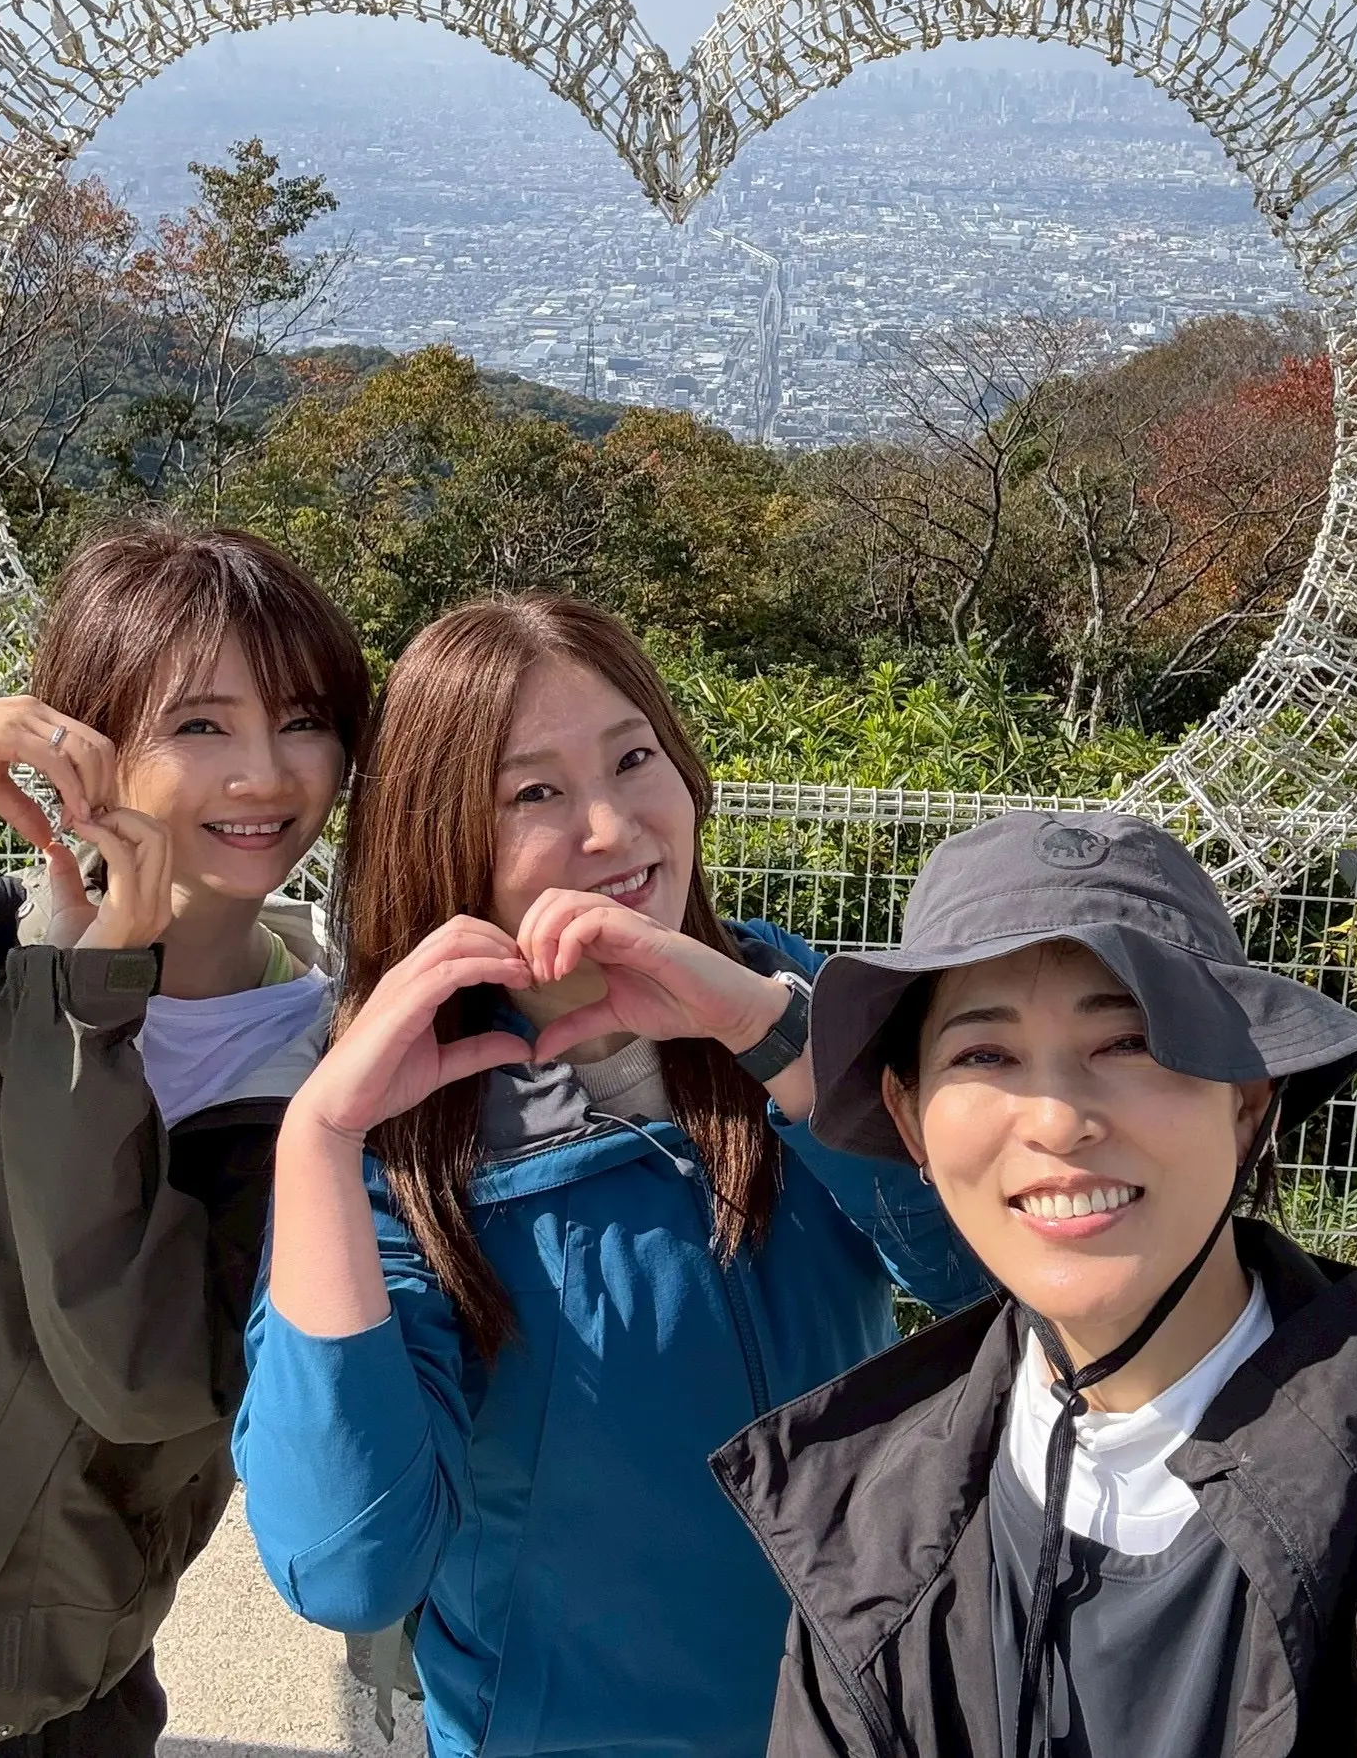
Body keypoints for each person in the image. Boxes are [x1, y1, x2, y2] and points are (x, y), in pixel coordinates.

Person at [234, 593, 986, 1758]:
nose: (611, 825)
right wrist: (320, 1145)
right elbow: (348, 1562)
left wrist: (770, 1033)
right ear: (446, 843)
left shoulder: (791, 1005)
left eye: (634, 757)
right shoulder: (404, 1139)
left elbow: (992, 1277)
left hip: (865, 1722)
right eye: (533, 792)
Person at [712, 810, 1357, 1758]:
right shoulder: (864, 1513)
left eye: (1130, 1043)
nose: (1057, 1122)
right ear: (914, 1119)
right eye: (984, 1056)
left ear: (1247, 1099)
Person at [0, 523, 370, 1758]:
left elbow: (146, 1384)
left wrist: (85, 1007)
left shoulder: (334, 1083)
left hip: (37, 1722)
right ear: (83, 739)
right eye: (199, 725)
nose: (265, 774)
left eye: (302, 719)